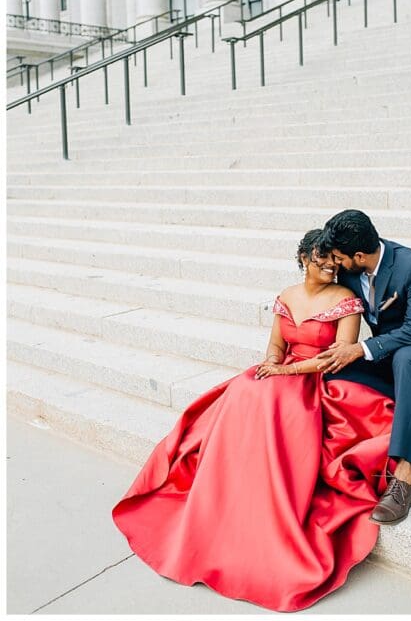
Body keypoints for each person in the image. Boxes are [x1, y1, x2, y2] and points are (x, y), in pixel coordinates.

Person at [112, 229, 395, 612]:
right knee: (245, 389)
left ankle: (270, 503)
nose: (331, 265)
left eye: (335, 259)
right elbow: (277, 344)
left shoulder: (346, 300)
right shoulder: (286, 296)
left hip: (317, 378)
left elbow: (338, 356)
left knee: (274, 403)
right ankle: (227, 493)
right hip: (284, 372)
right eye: (323, 258)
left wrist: (286, 375)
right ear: (305, 258)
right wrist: (272, 364)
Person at [313, 209, 411, 525]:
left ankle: (404, 477)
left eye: (340, 258)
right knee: (335, 368)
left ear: (359, 255)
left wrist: (363, 348)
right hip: (388, 350)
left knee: (407, 359)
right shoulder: (350, 272)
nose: (336, 264)